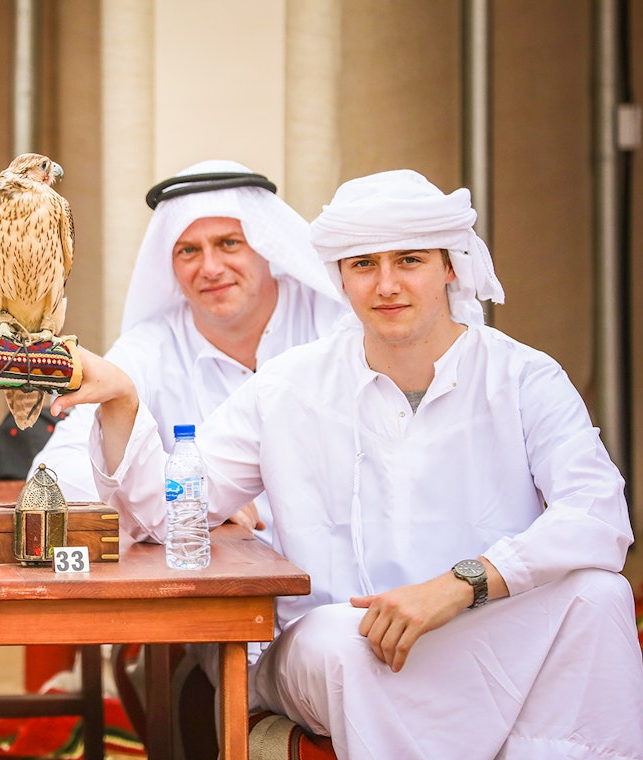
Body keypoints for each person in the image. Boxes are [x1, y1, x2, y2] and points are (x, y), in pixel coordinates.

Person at [58, 170, 643, 758]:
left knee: (600, 596)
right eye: (364, 264)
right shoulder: (289, 385)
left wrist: (460, 585)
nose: (386, 284)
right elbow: (167, 510)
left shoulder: (522, 376)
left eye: (408, 260)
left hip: (477, 621)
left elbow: (596, 514)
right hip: (336, 637)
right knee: (348, 640)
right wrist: (122, 401)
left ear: (450, 268)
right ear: (341, 276)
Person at [30, 160, 346, 539]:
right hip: (218, 575)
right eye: (188, 251)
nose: (210, 268)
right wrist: (198, 499)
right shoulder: (149, 347)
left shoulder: (331, 322)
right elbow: (54, 474)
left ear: (265, 246)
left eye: (229, 244)